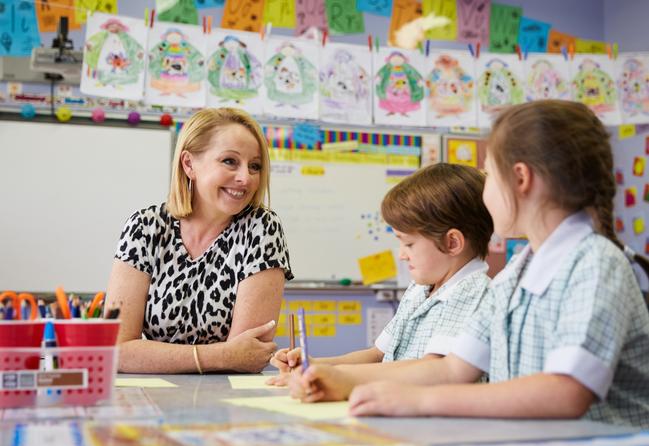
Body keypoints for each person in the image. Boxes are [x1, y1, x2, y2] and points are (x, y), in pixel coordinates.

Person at [290, 100, 649, 428]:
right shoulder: (516, 273)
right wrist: (340, 380)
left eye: (489, 174)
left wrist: (418, 401)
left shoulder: (597, 264)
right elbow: (453, 368)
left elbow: (564, 393)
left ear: (521, 179)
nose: (484, 189)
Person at [105, 107, 293, 374]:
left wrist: (151, 354)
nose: (245, 178)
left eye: (255, 166)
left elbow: (247, 358)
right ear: (189, 164)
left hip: (228, 401)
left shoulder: (262, 228)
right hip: (153, 399)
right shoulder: (145, 227)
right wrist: (221, 354)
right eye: (230, 161)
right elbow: (116, 349)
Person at [269, 164, 493, 385]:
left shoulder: (471, 291)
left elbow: (433, 369)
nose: (402, 255)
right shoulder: (420, 288)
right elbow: (377, 355)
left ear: (452, 242)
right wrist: (313, 366)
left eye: (409, 244)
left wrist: (342, 378)